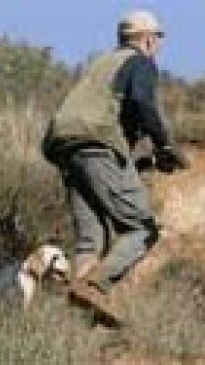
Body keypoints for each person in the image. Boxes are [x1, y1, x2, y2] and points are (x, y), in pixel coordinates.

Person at [42, 10, 188, 325]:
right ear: (148, 39)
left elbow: (113, 127)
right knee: (142, 228)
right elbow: (143, 103)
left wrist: (147, 160)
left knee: (90, 239)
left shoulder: (101, 65)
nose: (158, 45)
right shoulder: (140, 62)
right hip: (96, 145)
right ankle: (95, 285)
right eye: (158, 39)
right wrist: (165, 145)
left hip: (65, 149)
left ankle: (78, 310)